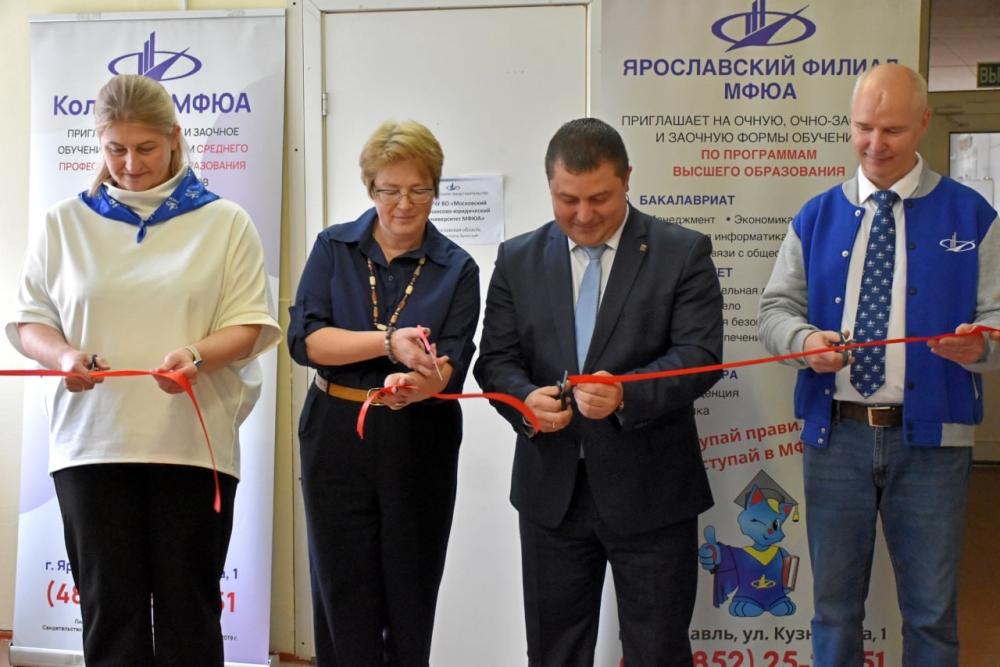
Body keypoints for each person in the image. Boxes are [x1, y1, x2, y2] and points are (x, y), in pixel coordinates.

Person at [6, 73, 281, 667]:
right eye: (116, 149)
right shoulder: (63, 223)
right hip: (91, 445)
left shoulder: (225, 221)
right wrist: (64, 357)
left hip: (192, 444)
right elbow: (30, 322)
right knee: (110, 615)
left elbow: (249, 324)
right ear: (98, 143)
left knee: (189, 614)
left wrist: (196, 355)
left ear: (175, 137)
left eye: (146, 148)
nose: (131, 165)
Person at [758, 63, 1000, 667]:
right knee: (834, 611)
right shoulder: (816, 216)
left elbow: (998, 317)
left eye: (892, 129)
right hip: (834, 437)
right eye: (864, 127)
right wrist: (803, 340)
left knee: (931, 613)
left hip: (934, 445)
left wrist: (983, 348)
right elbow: (774, 311)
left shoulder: (973, 216)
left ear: (924, 123)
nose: (875, 144)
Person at [473, 117, 724, 667]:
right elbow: (494, 360)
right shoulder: (517, 259)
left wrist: (626, 393)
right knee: (554, 652)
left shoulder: (681, 252)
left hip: (652, 492)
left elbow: (701, 356)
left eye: (600, 198)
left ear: (627, 179)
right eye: (567, 200)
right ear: (549, 186)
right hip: (552, 495)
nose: (583, 215)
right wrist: (524, 400)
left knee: (657, 652)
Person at [288, 119, 480, 666]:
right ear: (370, 188)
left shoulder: (457, 268)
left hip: (419, 436)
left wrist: (417, 384)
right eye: (390, 190)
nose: (404, 204)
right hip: (336, 433)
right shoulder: (333, 247)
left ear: (436, 188)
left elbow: (451, 366)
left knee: (411, 589)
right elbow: (306, 341)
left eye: (419, 190)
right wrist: (388, 344)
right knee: (340, 588)